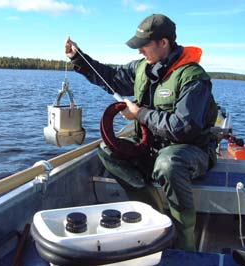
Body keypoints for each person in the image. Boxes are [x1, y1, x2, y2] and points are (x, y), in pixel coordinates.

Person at [65, 13, 218, 251]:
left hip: (191, 151)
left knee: (168, 164)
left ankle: (184, 237)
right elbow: (111, 77)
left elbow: (184, 128)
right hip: (152, 148)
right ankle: (154, 214)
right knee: (108, 151)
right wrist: (78, 58)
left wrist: (140, 114)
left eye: (143, 46)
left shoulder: (193, 78)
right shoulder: (141, 68)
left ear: (163, 43)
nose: (138, 52)